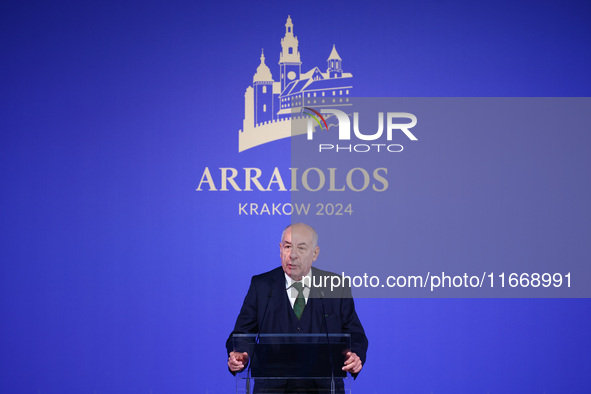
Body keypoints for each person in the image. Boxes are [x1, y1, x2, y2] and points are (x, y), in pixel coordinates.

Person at [226, 223, 368, 393]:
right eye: (287, 247)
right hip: (272, 389)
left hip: (324, 388)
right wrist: (241, 353)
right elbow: (242, 333)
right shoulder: (261, 286)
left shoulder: (335, 286)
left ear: (315, 253)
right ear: (280, 249)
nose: (292, 255)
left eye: (301, 248)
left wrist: (354, 355)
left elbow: (355, 334)